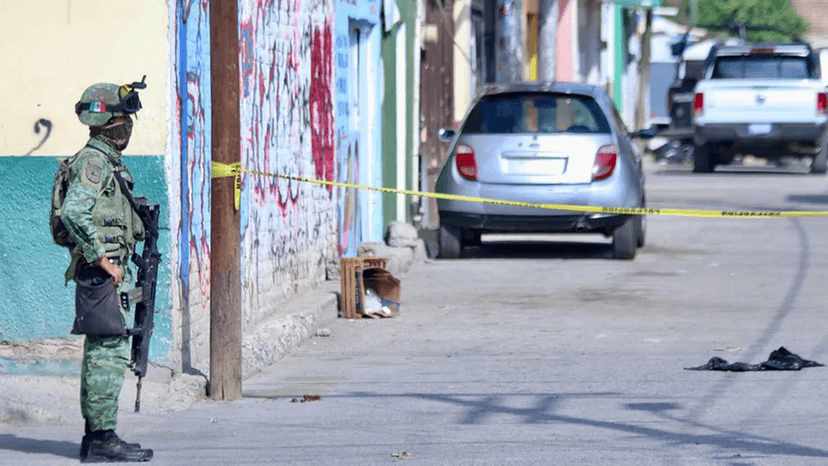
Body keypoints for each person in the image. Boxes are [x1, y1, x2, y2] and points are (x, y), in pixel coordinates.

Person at [62, 81, 154, 463]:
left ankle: (95, 436)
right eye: (124, 119)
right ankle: (102, 438)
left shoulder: (104, 160)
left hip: (105, 273)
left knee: (102, 349)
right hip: (103, 274)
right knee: (109, 352)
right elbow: (73, 211)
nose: (128, 126)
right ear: (108, 123)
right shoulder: (95, 162)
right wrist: (102, 259)